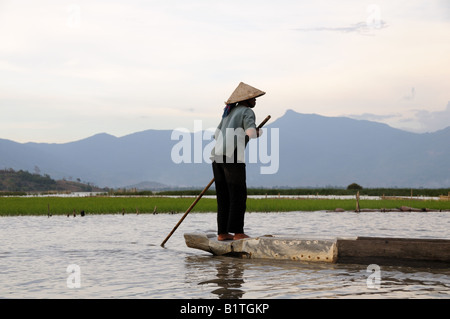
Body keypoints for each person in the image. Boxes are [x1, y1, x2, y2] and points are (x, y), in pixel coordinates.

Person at [211, 82, 266, 241]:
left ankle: (222, 233)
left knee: (223, 195)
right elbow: (251, 133)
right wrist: (257, 132)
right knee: (238, 194)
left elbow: (216, 135)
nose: (255, 101)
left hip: (217, 157)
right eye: (253, 99)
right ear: (246, 100)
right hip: (232, 156)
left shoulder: (228, 113)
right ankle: (238, 232)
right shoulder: (247, 112)